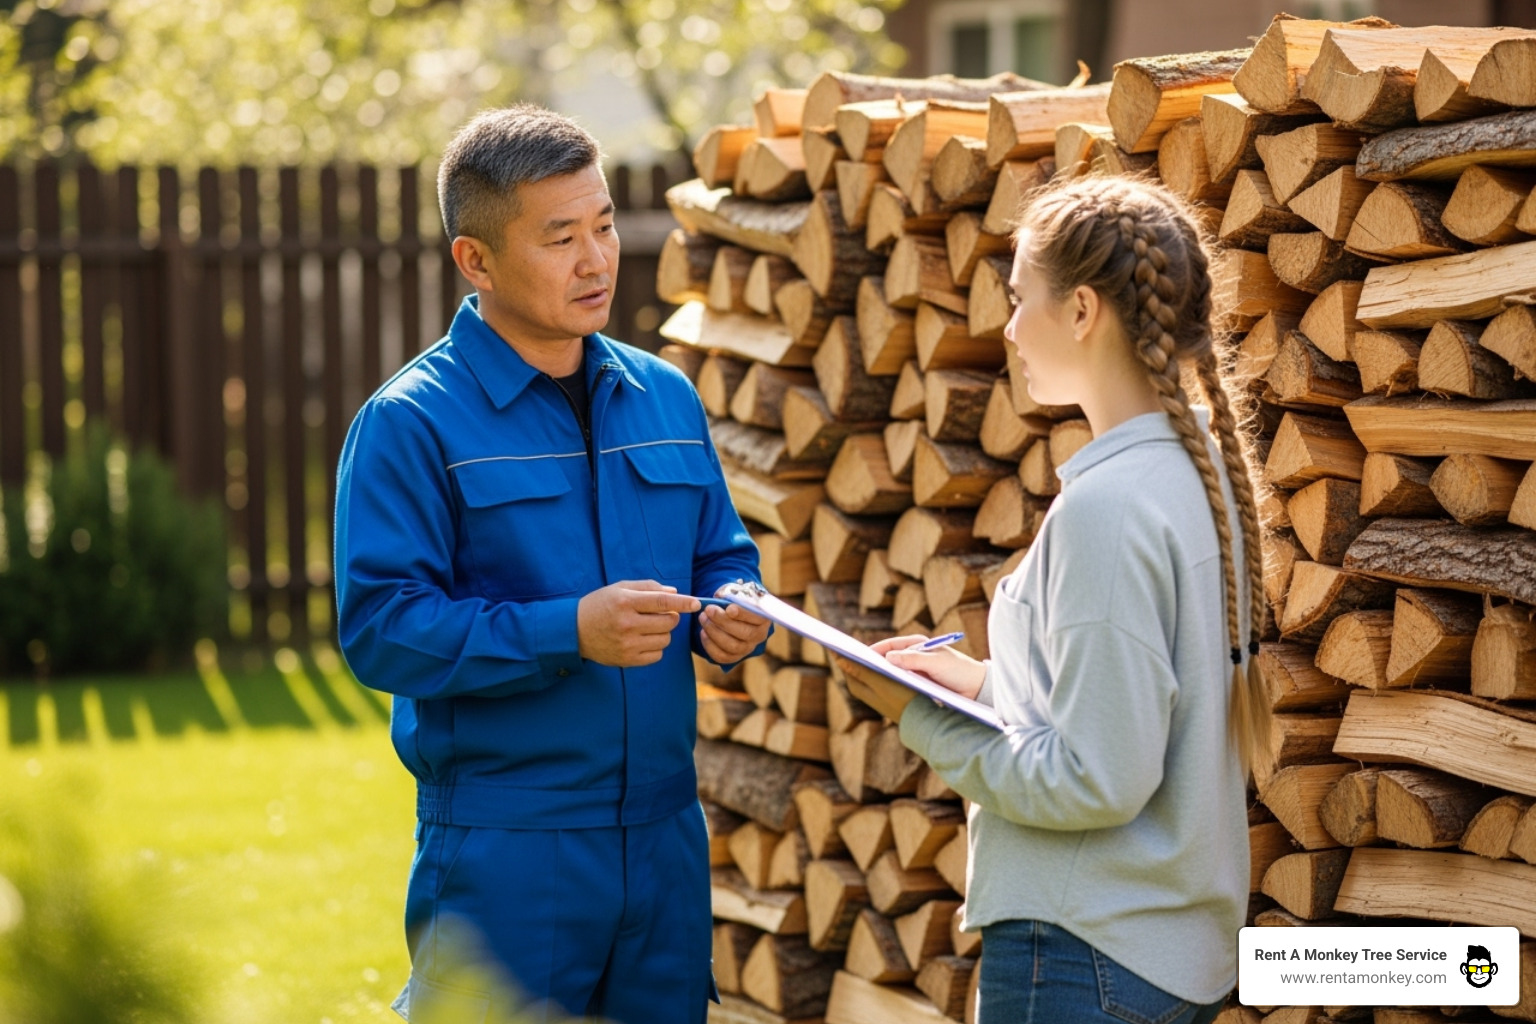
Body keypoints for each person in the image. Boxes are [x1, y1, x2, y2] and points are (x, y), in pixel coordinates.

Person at [333, 105, 771, 1024]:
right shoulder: (411, 423)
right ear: (476, 261)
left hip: (664, 840)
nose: (597, 259)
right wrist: (568, 631)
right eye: (560, 237)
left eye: (605, 225)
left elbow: (722, 553)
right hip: (506, 850)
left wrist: (738, 609)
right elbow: (382, 632)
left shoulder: (663, 395)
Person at [841, 174, 1267, 1024]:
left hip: (1086, 956)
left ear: (1081, 312)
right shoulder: (1201, 474)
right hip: (1160, 955)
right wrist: (983, 689)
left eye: (1019, 297)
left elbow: (1094, 780)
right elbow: (1126, 713)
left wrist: (917, 716)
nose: (1006, 327)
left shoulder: (1109, 508)